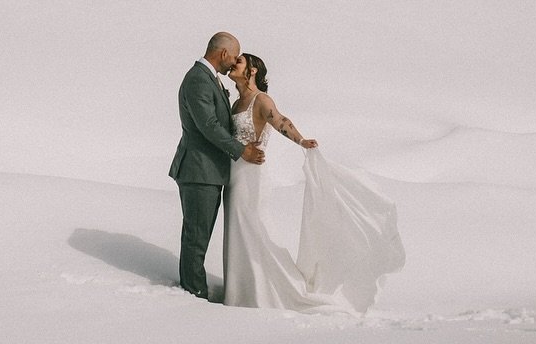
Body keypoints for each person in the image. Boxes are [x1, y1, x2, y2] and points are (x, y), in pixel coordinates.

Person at [222, 52, 405, 313]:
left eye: (239, 62)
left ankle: (274, 291)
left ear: (252, 71)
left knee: (257, 231)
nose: (233, 64)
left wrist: (301, 140)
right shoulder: (236, 103)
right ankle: (241, 291)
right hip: (235, 175)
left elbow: (281, 121)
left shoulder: (260, 100)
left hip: (252, 176)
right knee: (238, 231)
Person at [168, 32, 265, 299]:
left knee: (199, 235)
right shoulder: (198, 79)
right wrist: (241, 150)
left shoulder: (209, 79)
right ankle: (193, 293)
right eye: (233, 57)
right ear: (223, 53)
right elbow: (208, 125)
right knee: (196, 238)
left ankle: (194, 289)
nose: (233, 63)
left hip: (209, 171)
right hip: (199, 170)